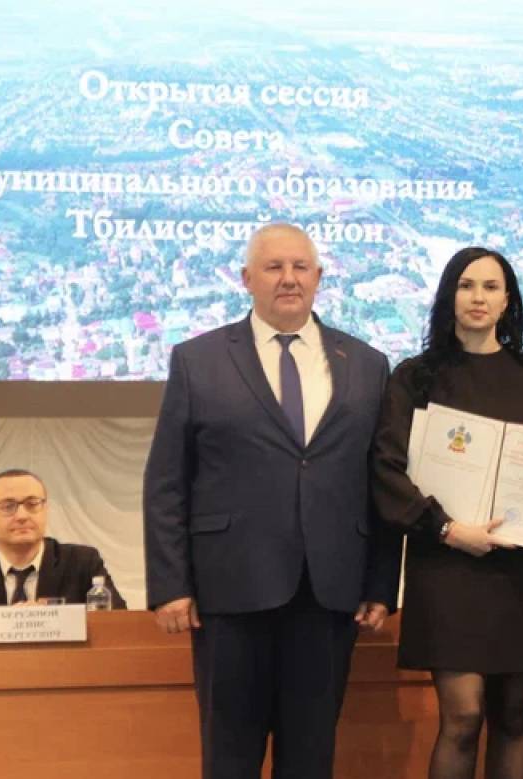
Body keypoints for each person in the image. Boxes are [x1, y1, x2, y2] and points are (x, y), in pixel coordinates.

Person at [143, 223, 401, 779]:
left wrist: (382, 583)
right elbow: (166, 480)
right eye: (274, 267)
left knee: (311, 759)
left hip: (328, 594)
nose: (289, 279)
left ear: (319, 277)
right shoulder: (197, 360)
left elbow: (381, 480)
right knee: (230, 759)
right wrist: (170, 585)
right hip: (229, 591)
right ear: (246, 279)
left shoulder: (367, 363)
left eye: (300, 267)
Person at [372, 247, 523, 779]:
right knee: (462, 717)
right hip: (448, 564)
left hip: (521, 568)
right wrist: (446, 529)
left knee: (513, 717)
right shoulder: (415, 376)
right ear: (449, 295)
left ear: (508, 300)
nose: (478, 297)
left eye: (491, 287)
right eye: (466, 285)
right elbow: (386, 470)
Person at [0, 468, 127, 613]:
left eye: (32, 504)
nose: (22, 516)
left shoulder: (82, 563)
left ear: (45, 510)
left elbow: (117, 626)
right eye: (8, 506)